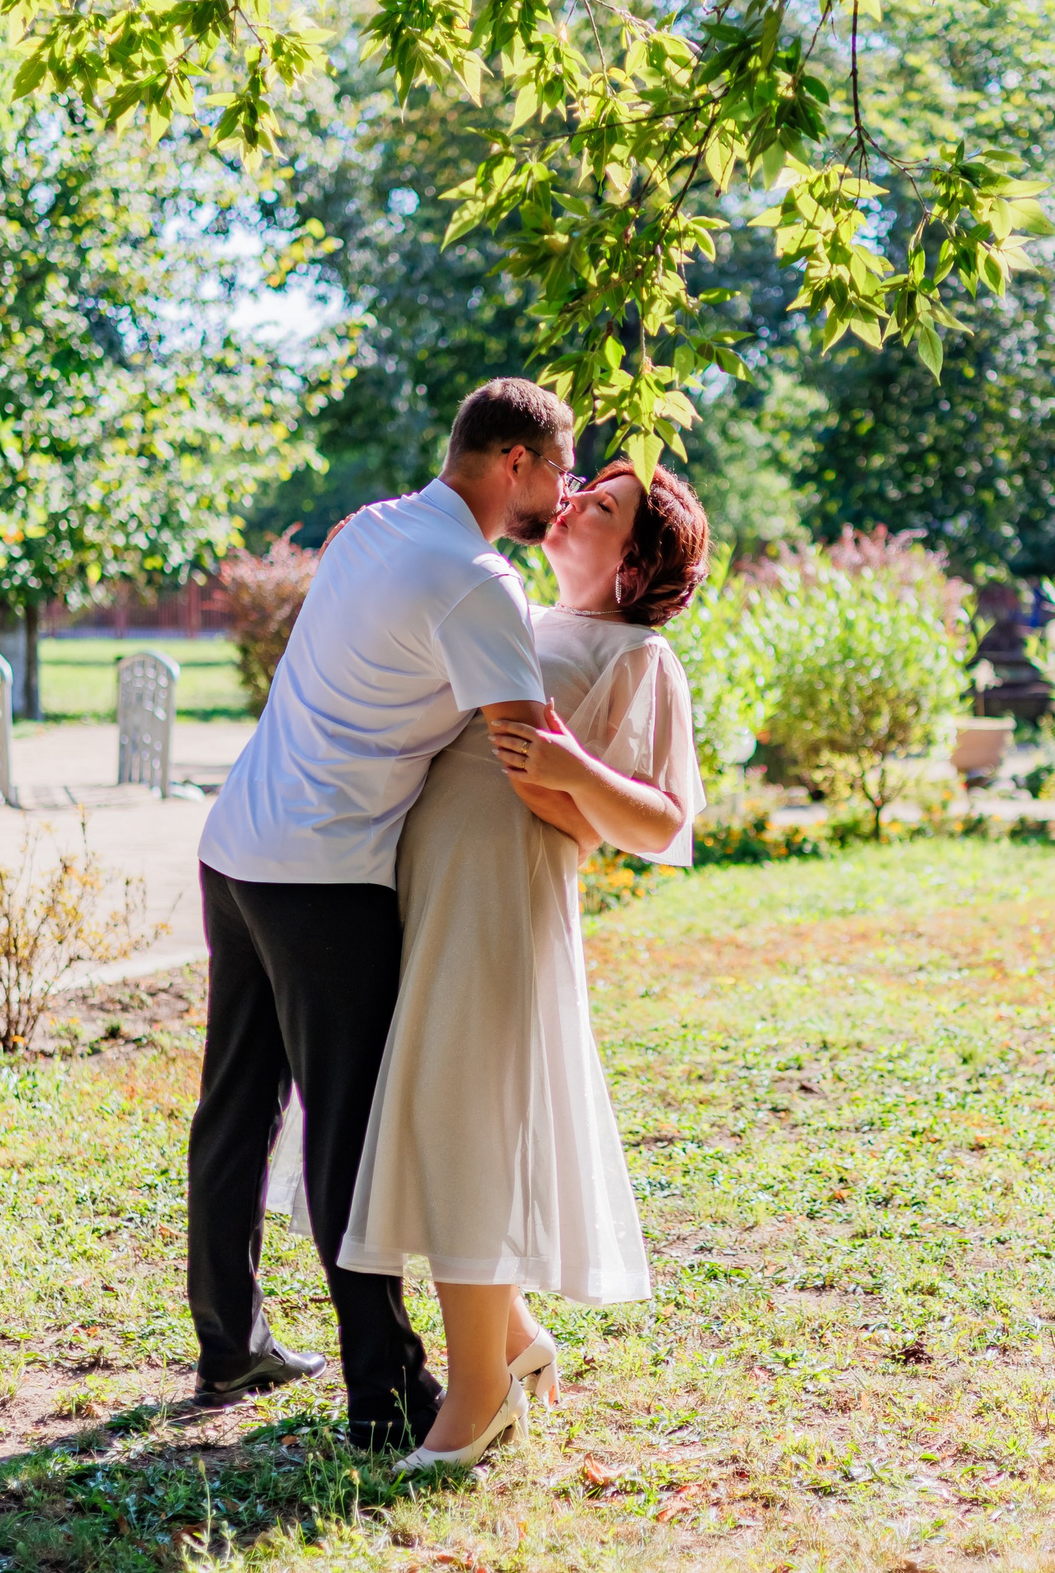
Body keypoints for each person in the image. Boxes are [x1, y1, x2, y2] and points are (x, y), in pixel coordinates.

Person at [185, 377, 589, 1448]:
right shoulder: (476, 579)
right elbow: (522, 748)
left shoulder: (370, 526)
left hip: (237, 844)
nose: (566, 488)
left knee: (238, 1105)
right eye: (560, 468)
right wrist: (596, 823)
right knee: (350, 1128)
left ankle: (229, 1342)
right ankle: (384, 1387)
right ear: (514, 462)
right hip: (324, 871)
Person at [310, 454, 710, 1470]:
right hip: (430, 885)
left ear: (634, 561)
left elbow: (664, 822)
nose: (572, 501)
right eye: (582, 487)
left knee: (464, 1118)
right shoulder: (518, 611)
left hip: (504, 898)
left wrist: (575, 773)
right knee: (446, 1109)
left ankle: (480, 1392)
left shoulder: (636, 656)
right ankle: (517, 1339)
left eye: (605, 505)